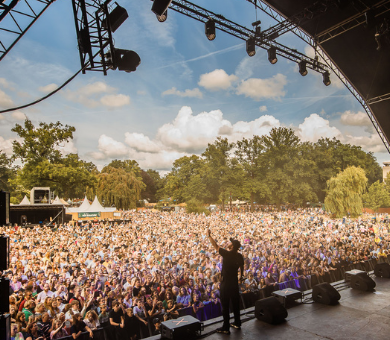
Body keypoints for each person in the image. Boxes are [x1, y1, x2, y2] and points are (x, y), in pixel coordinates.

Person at [207, 229, 244, 335]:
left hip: (226, 284)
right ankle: (237, 322)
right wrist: (241, 277)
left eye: (230, 243)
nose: (228, 243)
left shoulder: (227, 254)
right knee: (236, 305)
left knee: (225, 306)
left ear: (232, 247)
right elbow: (242, 266)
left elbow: (215, 246)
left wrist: (209, 236)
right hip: (234, 284)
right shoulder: (239, 256)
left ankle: (226, 327)